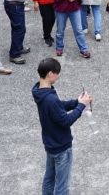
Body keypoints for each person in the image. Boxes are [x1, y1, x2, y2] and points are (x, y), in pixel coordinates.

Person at [32, 58, 92, 195]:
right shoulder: (51, 99)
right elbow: (66, 120)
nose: (58, 76)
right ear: (50, 74)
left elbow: (59, 107)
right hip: (61, 147)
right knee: (62, 186)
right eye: (57, 73)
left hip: (50, 144)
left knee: (49, 179)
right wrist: (81, 106)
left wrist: (77, 102)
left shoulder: (41, 92)